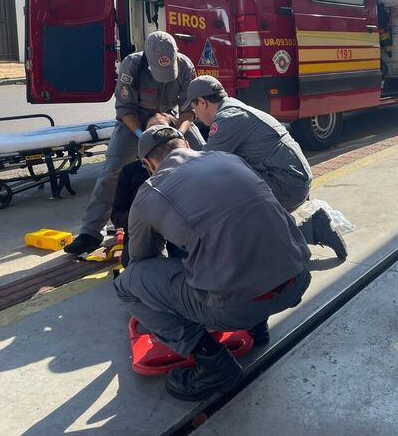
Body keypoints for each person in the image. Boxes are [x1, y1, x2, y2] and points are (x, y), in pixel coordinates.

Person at [114, 125, 311, 401]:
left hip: (239, 307)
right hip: (297, 279)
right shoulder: (229, 159)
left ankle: (212, 364)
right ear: (186, 144)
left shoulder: (150, 191)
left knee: (127, 284)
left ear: (148, 164)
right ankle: (257, 328)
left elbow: (142, 260)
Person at [65, 32, 205, 255]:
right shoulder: (132, 64)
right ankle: (91, 232)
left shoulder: (185, 66)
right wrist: (144, 137)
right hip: (136, 122)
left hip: (169, 119)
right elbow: (124, 109)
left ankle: (209, 216)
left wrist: (178, 134)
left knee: (203, 155)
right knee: (113, 168)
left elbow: (188, 110)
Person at [186, 76, 348, 260]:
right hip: (291, 177)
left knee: (228, 196)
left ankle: (307, 234)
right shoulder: (234, 108)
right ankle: (306, 230)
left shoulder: (228, 119)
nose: (196, 115)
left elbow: (206, 165)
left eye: (194, 109)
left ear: (203, 102)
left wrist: (182, 147)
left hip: (288, 183)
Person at [110, 113, 186, 267]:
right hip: (143, 233)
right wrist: (144, 219)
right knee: (134, 264)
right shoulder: (130, 171)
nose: (155, 132)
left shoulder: (185, 168)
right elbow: (117, 214)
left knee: (184, 260)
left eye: (161, 128)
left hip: (177, 232)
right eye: (151, 128)